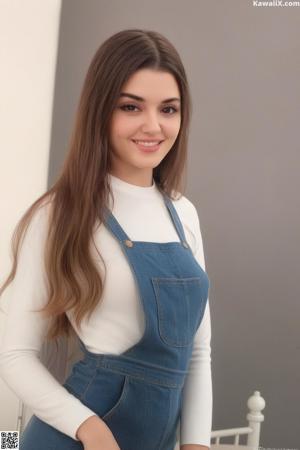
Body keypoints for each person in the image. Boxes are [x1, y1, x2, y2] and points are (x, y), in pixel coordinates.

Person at [0, 29, 212, 450]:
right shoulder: (59, 214)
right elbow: (13, 354)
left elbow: (198, 353)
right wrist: (90, 430)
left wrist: (197, 444)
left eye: (168, 109)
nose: (153, 125)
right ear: (100, 111)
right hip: (76, 439)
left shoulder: (183, 214)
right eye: (131, 106)